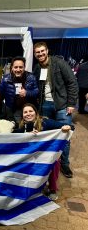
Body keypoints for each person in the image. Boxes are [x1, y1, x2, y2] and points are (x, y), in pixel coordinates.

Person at [33, 42, 78, 178]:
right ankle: (49, 163)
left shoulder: (59, 63)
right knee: (46, 135)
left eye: (42, 51)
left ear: (47, 51)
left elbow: (72, 83)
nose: (40, 54)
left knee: (65, 134)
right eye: (38, 52)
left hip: (62, 105)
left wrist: (71, 103)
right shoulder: (36, 68)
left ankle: (64, 164)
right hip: (44, 105)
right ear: (35, 54)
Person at [14, 103, 74, 200]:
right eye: (25, 112)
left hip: (44, 157)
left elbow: (70, 126)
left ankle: (52, 189)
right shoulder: (22, 126)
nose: (28, 114)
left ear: (36, 113)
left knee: (55, 162)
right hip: (28, 158)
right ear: (22, 115)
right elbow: (12, 136)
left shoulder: (45, 122)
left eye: (30, 111)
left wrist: (66, 127)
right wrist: (26, 136)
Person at [0, 56, 39, 124]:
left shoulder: (31, 77)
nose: (18, 69)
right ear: (12, 67)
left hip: (28, 111)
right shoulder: (5, 79)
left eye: (21, 67)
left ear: (24, 67)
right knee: (17, 130)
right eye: (16, 67)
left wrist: (27, 93)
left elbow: (37, 92)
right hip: (12, 110)